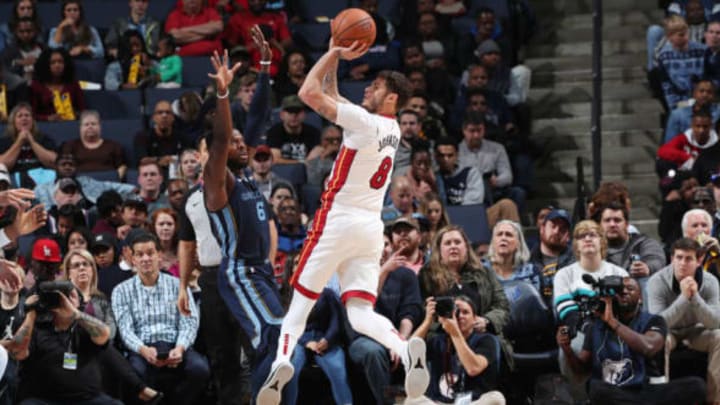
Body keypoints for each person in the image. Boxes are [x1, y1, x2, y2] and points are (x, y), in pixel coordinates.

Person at [259, 40, 430, 404]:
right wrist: (335, 59)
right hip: (369, 229)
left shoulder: (365, 123)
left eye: (376, 86)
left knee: (297, 308)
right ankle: (404, 346)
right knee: (360, 311)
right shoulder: (391, 129)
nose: (368, 87)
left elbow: (309, 92)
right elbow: (335, 96)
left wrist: (333, 52)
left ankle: (282, 363)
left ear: (391, 99)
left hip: (337, 221)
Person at [201, 49, 285, 400]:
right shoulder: (219, 182)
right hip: (241, 273)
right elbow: (222, 139)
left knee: (284, 344)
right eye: (236, 143)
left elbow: (260, 116)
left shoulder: (246, 173)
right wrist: (223, 93)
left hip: (262, 270)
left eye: (242, 142)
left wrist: (265, 69)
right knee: (271, 339)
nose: (242, 145)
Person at [557, 276, 707, 404]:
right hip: (614, 392)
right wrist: (567, 348)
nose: (624, 291)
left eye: (630, 288)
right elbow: (581, 370)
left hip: (647, 391)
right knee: (595, 387)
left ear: (640, 298)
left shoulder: (653, 320)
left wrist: (613, 322)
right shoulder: (596, 326)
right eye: (620, 289)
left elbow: (648, 347)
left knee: (697, 385)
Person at [112, 232, 209, 405]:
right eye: (140, 254)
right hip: (142, 349)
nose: (146, 258)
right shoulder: (121, 291)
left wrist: (180, 348)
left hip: (175, 344)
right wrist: (143, 350)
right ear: (132, 259)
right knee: (133, 373)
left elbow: (189, 322)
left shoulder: (178, 285)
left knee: (199, 369)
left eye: (150, 253)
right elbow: (125, 329)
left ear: (159, 255)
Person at [553, 220, 629, 387]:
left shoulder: (619, 272)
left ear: (602, 241)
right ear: (576, 245)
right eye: (581, 236)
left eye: (593, 234)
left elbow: (628, 306)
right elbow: (566, 311)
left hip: (614, 329)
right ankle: (579, 395)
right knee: (571, 348)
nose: (587, 238)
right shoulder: (564, 274)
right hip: (580, 330)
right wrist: (590, 330)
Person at [14, 285, 119, 404]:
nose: (66, 300)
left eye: (71, 296)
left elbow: (105, 334)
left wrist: (75, 313)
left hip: (88, 399)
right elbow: (18, 352)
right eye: (60, 296)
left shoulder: (86, 326)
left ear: (80, 301)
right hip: (45, 399)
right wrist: (31, 312)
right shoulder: (37, 329)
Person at [648, 237, 720, 405]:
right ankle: (662, 398)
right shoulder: (657, 282)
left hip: (697, 330)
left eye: (688, 259)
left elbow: (716, 323)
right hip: (669, 331)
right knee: (659, 339)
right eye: (678, 258)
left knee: (719, 336)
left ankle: (715, 400)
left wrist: (694, 297)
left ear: (699, 261)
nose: (682, 263)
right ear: (672, 259)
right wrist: (684, 297)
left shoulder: (711, 282)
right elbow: (658, 323)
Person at [408, 296, 506, 405]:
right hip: (438, 403)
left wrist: (455, 333)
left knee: (496, 398)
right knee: (412, 400)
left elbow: (473, 368)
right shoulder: (438, 340)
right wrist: (427, 321)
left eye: (465, 312)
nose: (460, 316)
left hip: (472, 402)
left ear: (475, 318)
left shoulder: (487, 340)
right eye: (456, 311)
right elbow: (408, 352)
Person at [598, 202, 666, 279]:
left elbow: (656, 259)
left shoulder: (643, 243)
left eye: (617, 220)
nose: (612, 224)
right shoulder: (594, 248)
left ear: (627, 224)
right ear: (600, 225)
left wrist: (647, 267)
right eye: (607, 220)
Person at [0, 103, 57, 188]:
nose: (24, 118)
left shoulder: (43, 138)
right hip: (13, 180)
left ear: (32, 121)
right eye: (20, 116)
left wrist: (32, 143)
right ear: (14, 122)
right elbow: (2, 165)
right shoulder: (5, 141)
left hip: (42, 179)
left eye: (27, 115)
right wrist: (19, 142)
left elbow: (54, 162)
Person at [59, 111, 127, 178]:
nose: (90, 127)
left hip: (108, 183)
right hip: (80, 183)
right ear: (80, 128)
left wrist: (116, 179)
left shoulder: (113, 146)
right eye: (86, 124)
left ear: (100, 126)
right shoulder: (70, 146)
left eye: (93, 124)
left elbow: (122, 167)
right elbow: (65, 167)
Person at [29, 47, 85, 121]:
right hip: (44, 126)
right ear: (45, 65)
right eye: (53, 63)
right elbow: (30, 115)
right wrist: (47, 118)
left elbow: (83, 111)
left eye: (60, 62)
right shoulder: (36, 85)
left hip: (70, 125)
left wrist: (75, 115)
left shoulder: (73, 84)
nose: (57, 65)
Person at [486, 220, 540, 290]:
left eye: (508, 235)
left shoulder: (530, 272)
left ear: (518, 243)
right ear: (493, 242)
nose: (503, 238)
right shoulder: (481, 271)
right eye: (499, 234)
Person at [266, 95, 321, 164]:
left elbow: (318, 152)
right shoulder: (274, 132)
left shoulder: (313, 132)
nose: (294, 115)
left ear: (304, 115)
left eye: (297, 111)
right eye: (290, 112)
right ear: (281, 115)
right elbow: (275, 159)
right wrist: (302, 162)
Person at [150, 208, 179, 276]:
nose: (165, 228)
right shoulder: (149, 252)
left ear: (176, 227)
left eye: (169, 224)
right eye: (161, 224)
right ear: (154, 227)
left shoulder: (183, 250)